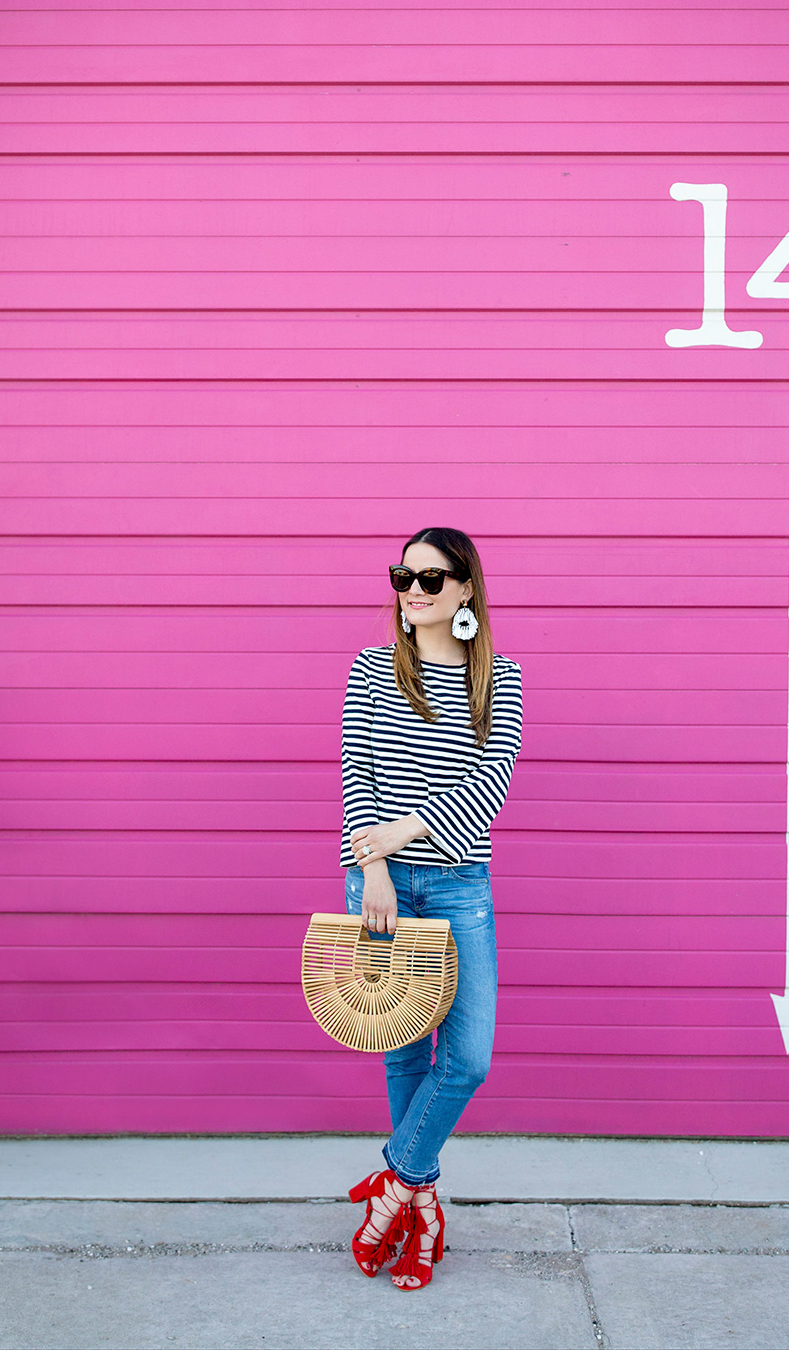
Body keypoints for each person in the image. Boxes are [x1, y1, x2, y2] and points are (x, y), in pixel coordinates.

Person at [340, 526, 523, 1290]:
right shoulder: (372, 669)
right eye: (403, 576)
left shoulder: (499, 679)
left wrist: (402, 830)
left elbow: (488, 793)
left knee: (468, 1058)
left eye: (431, 577)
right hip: (380, 885)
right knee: (405, 1052)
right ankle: (424, 1211)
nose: (413, 591)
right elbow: (358, 773)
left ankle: (393, 1187)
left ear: (466, 588)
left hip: (458, 886)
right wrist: (373, 862)